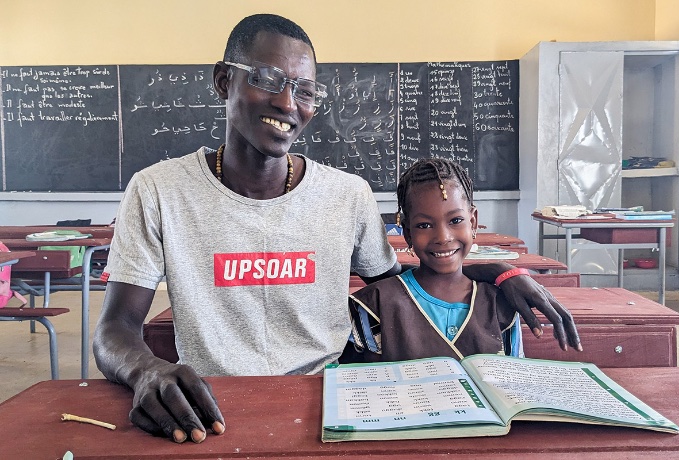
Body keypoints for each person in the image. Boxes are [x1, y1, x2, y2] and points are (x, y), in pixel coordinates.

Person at [93, 13, 581, 444]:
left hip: (334, 400)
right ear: (224, 81)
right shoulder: (158, 190)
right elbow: (115, 329)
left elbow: (398, 289)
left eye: (304, 90)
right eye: (268, 78)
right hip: (211, 407)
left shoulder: (346, 195)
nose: (288, 103)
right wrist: (146, 370)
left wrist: (494, 273)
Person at [341, 158, 525, 364]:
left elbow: (512, 383)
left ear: (473, 222)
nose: (443, 237)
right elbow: (358, 386)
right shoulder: (373, 306)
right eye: (424, 225)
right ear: (408, 233)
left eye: (455, 221)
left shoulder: (500, 304)